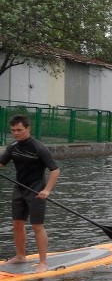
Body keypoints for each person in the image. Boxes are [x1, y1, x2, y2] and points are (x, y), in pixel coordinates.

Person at [0, 115, 61, 272]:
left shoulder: (39, 148)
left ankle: (43, 262)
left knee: (37, 226)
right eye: (13, 130)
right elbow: (1, 164)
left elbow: (55, 170)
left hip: (36, 191)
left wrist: (47, 190)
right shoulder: (12, 147)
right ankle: (20, 256)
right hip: (19, 189)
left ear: (28, 128)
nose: (16, 133)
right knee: (17, 224)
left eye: (19, 130)